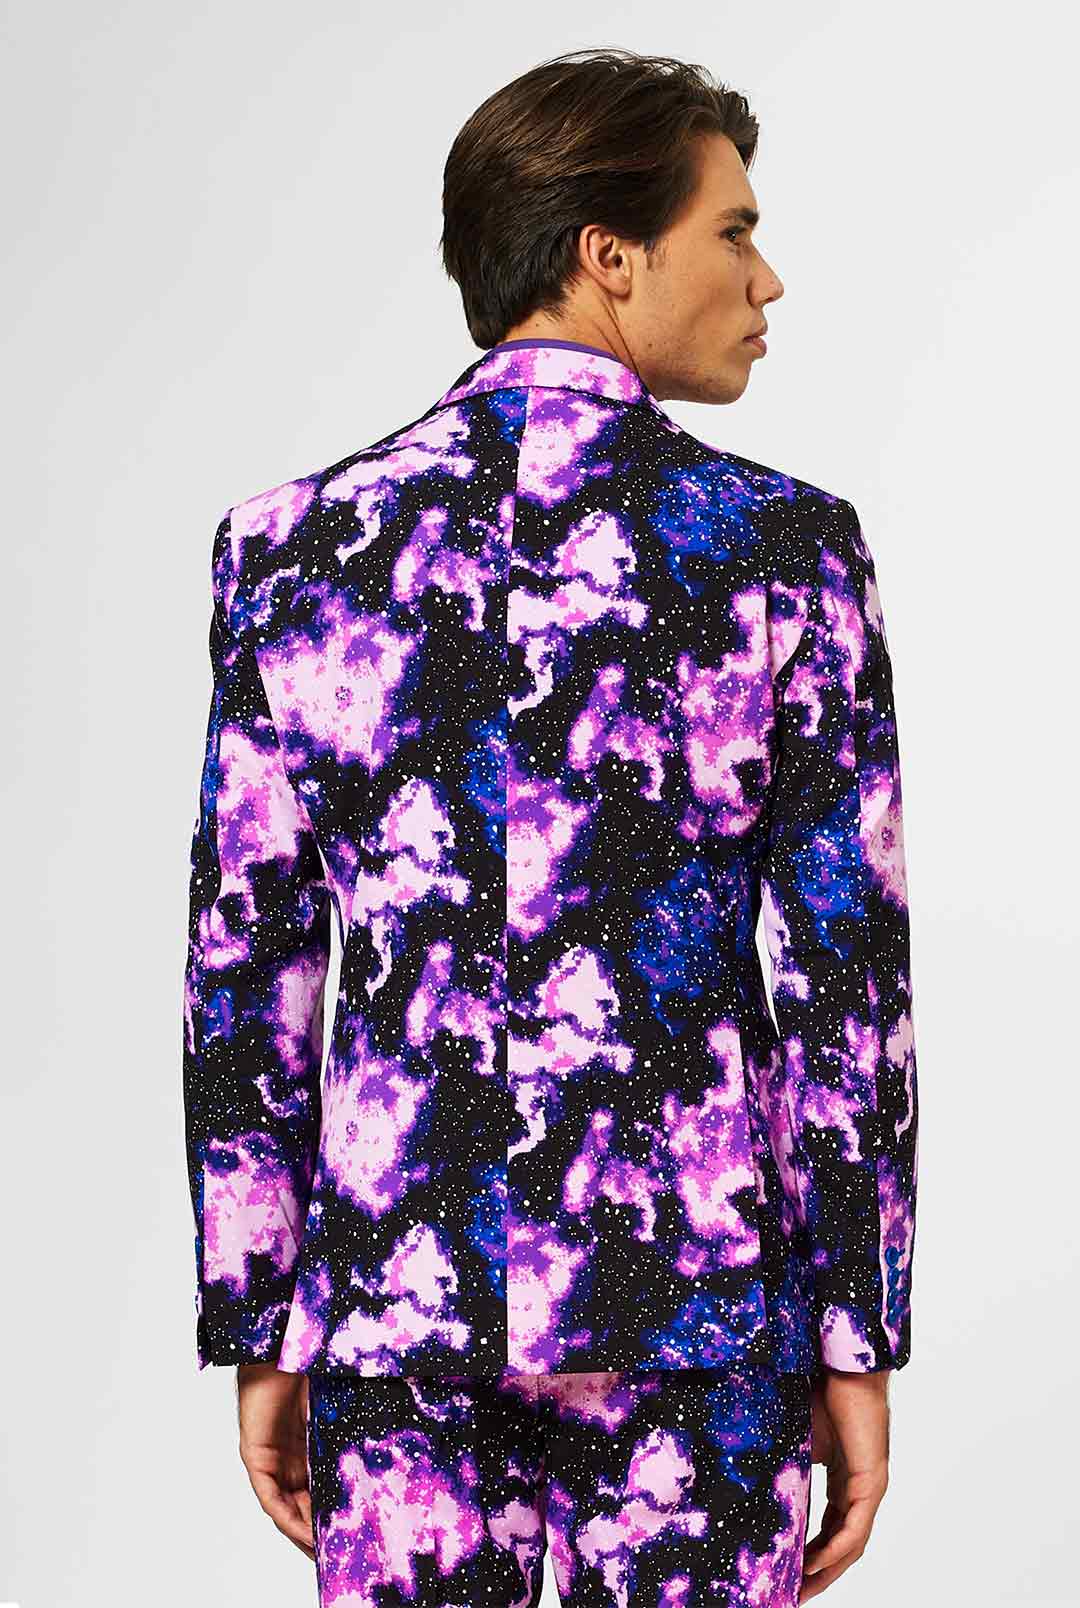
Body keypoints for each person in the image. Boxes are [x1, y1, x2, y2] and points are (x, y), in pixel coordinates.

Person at [182, 47, 919, 1608]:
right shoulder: (783, 551)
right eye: (734, 230)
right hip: (698, 1319)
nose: (767, 277)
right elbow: (847, 988)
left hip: (399, 1309)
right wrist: (854, 1333)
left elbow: (246, 968)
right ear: (610, 253)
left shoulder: (292, 548)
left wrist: (264, 1316)